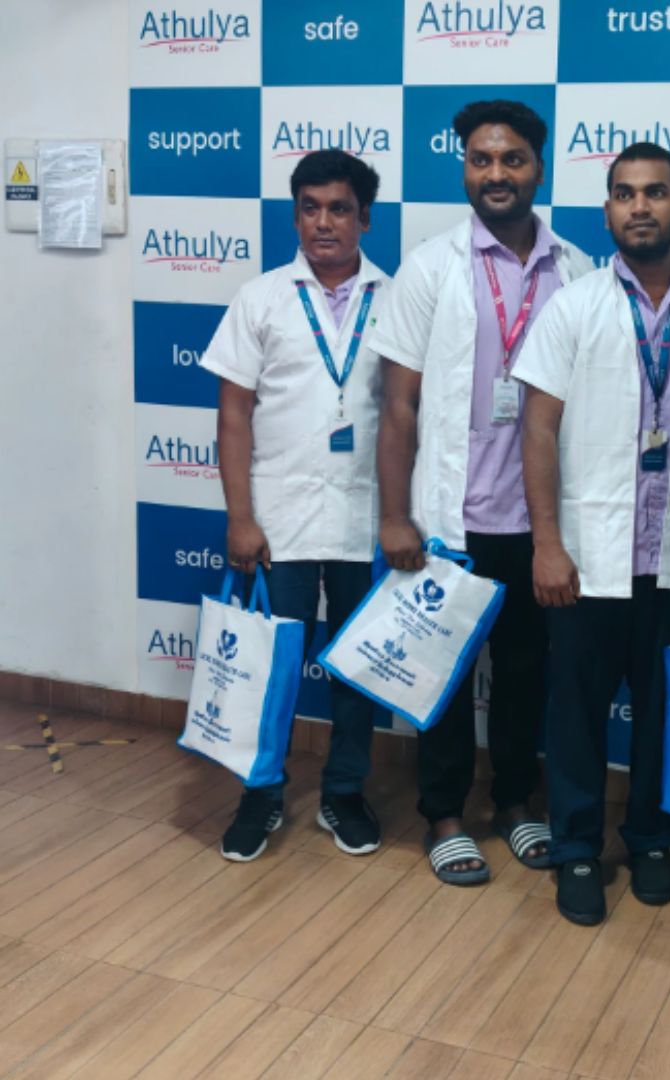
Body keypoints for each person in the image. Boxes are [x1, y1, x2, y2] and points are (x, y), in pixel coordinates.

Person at [514, 142, 670, 926]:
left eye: (655, 193)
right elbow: (538, 430)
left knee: (662, 707)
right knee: (576, 710)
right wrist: (547, 543)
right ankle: (577, 848)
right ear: (608, 208)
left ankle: (649, 838)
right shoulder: (575, 304)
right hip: (587, 555)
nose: (639, 206)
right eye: (623, 194)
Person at [369, 100, 593, 886]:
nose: (496, 174)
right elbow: (398, 405)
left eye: (512, 159)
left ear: (540, 166)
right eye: (481, 160)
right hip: (449, 520)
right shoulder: (432, 266)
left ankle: (516, 802)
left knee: (528, 673)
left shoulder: (576, 269)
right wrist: (395, 516)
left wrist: (558, 533)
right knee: (446, 677)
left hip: (536, 525)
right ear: (464, 167)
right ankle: (444, 814)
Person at [199, 149, 389, 862]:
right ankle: (260, 792)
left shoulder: (396, 299)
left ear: (364, 218)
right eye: (309, 208)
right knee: (268, 664)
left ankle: (344, 792)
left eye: (339, 208)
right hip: (277, 521)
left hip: (364, 520)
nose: (323, 223)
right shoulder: (263, 298)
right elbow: (232, 416)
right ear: (295, 214)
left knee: (353, 666)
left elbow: (408, 417)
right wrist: (239, 517)